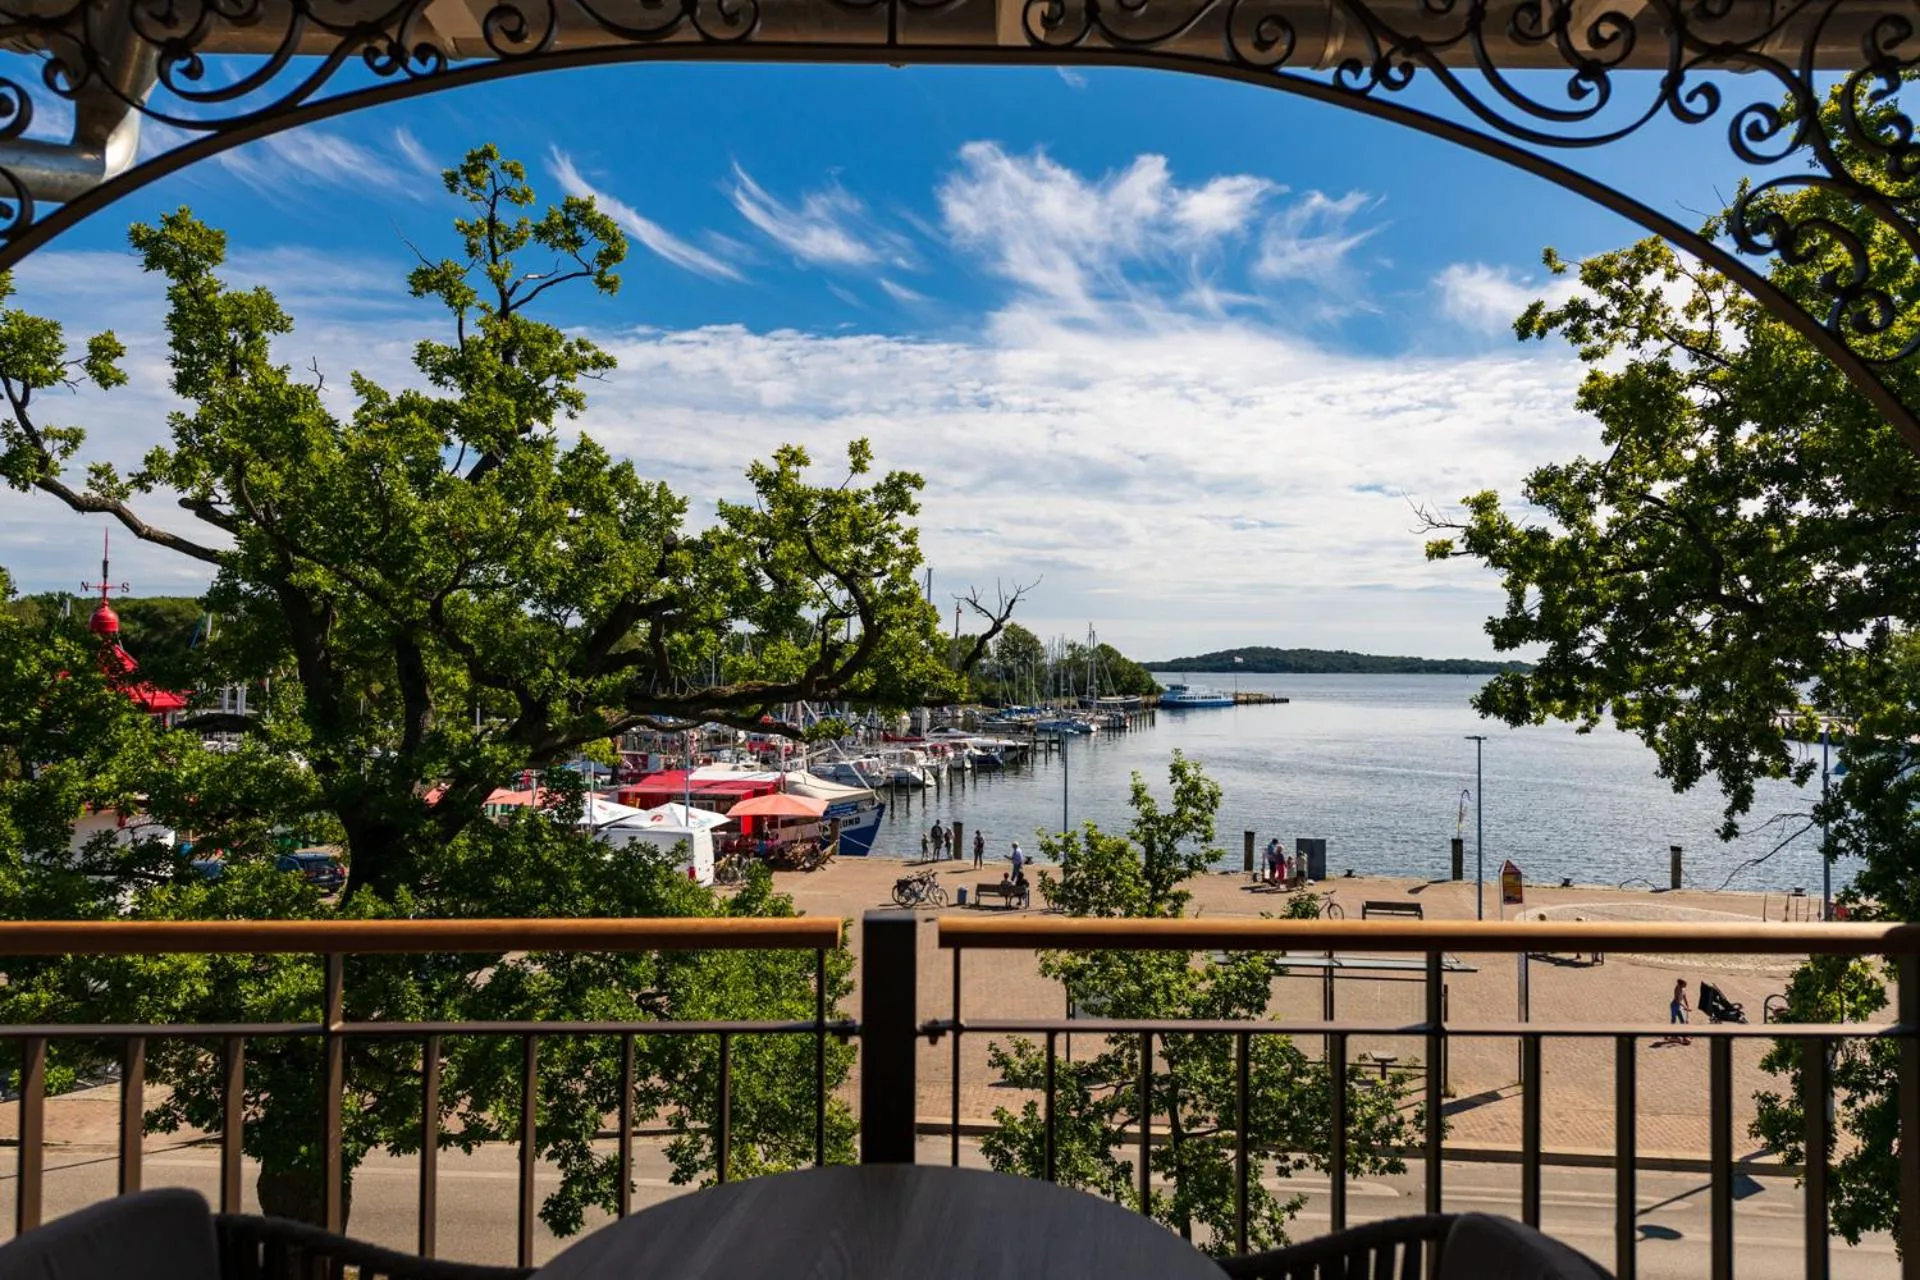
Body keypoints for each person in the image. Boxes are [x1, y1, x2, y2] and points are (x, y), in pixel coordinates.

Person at [1667, 979, 1693, 1046]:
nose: (1686, 985)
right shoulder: (1677, 989)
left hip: (1679, 1006)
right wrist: (1685, 1007)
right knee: (1674, 1021)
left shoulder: (1683, 988)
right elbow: (1677, 1000)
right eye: (1685, 984)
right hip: (1674, 1006)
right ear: (1681, 984)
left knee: (1682, 1021)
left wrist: (1687, 1003)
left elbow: (1684, 996)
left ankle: (1684, 1036)